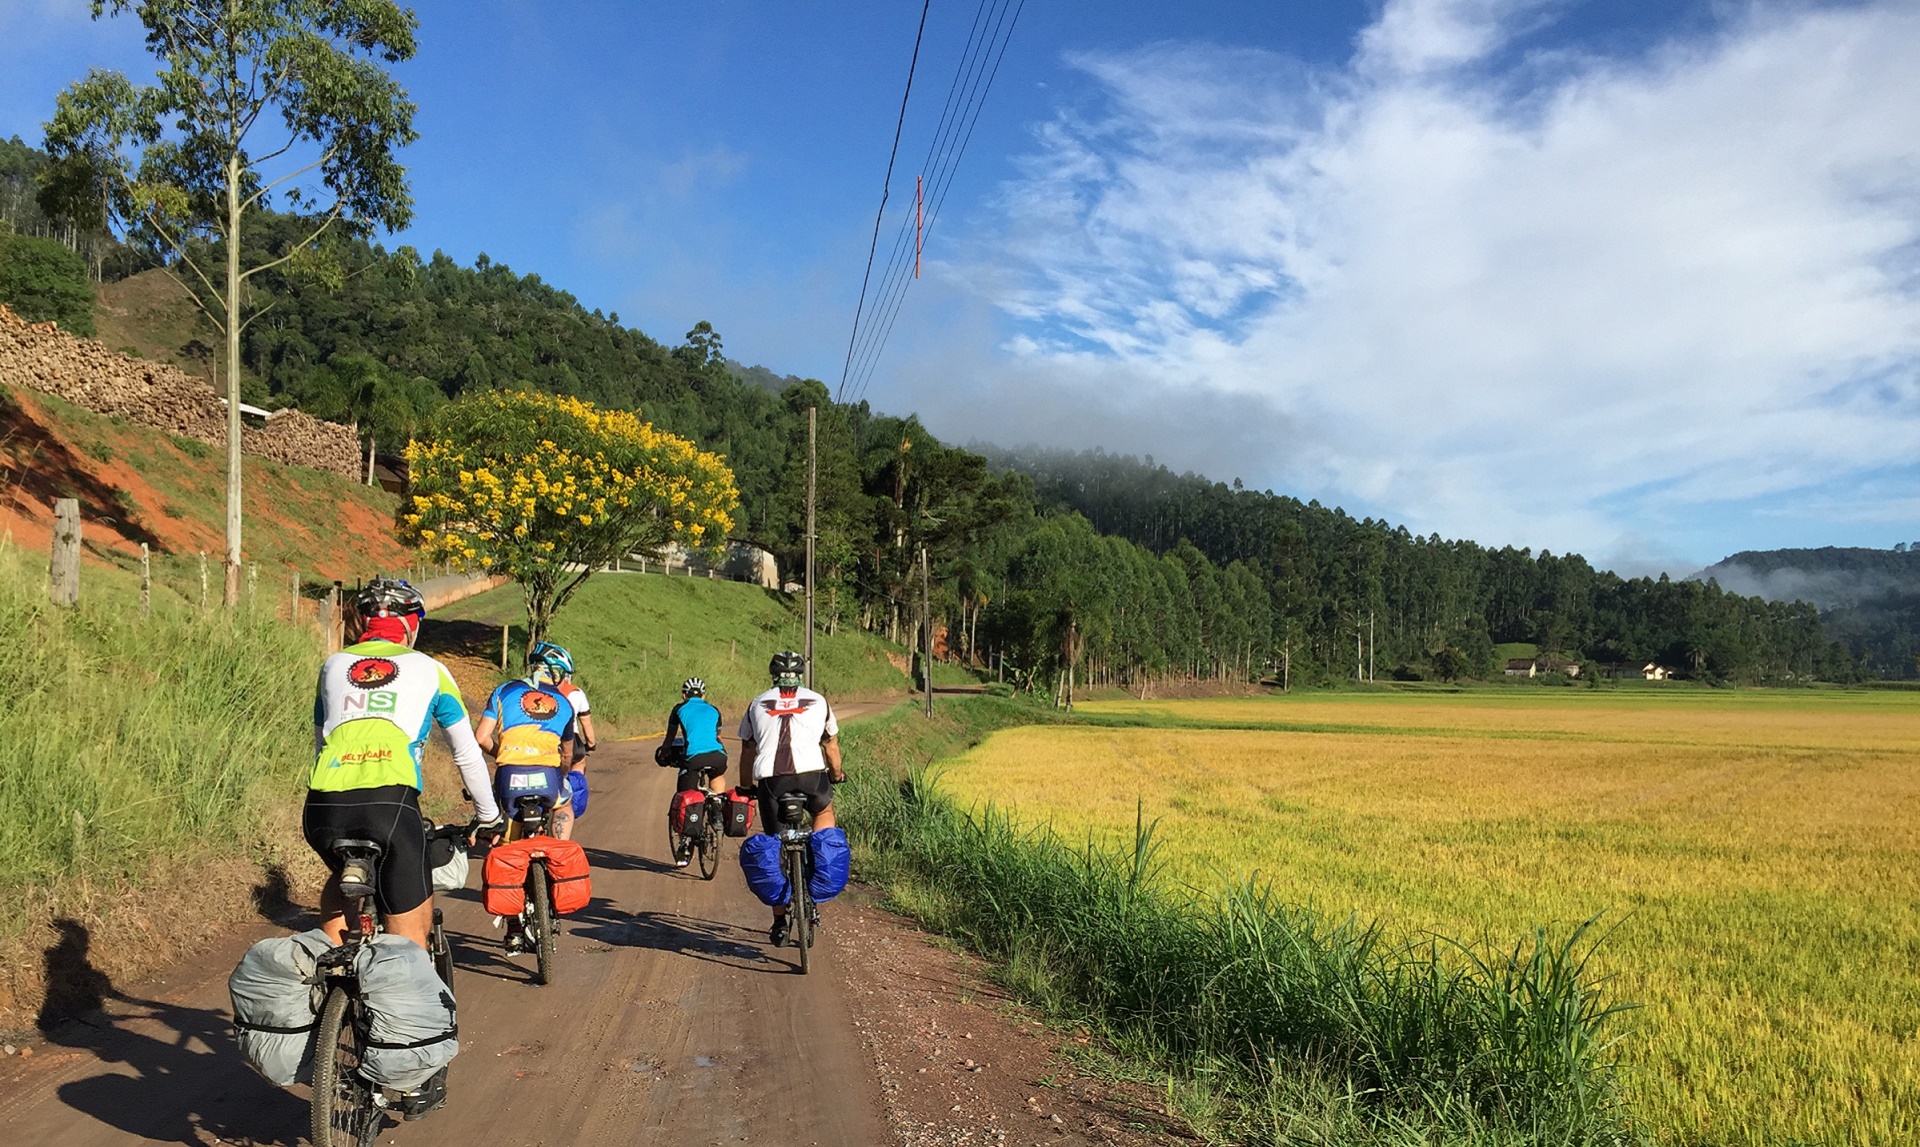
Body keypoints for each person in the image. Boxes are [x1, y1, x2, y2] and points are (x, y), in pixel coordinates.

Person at [305, 578, 502, 952]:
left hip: (323, 807)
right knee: (411, 934)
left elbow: (321, 743)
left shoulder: (331, 666)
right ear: (412, 625)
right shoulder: (432, 670)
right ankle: (402, 996)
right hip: (389, 804)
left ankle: (329, 974)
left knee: (339, 878)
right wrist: (488, 814)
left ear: (364, 623)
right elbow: (466, 752)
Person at [736, 651, 844, 946]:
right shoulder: (818, 700)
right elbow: (830, 745)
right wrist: (837, 774)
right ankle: (819, 871)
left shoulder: (757, 702)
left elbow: (747, 750)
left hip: (772, 782)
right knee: (824, 816)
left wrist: (746, 786)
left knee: (775, 843)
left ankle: (779, 922)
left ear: (772, 674)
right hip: (812, 778)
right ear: (801, 673)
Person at [475, 644, 579, 841]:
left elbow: (481, 737)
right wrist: (562, 773)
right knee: (564, 804)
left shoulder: (503, 691)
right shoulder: (565, 704)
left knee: (504, 826)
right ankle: (559, 846)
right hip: (547, 776)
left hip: (509, 776)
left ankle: (508, 848)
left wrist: (505, 754)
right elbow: (567, 755)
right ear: (556, 673)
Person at [663, 677, 727, 867]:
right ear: (704, 695)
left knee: (686, 796)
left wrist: (665, 754)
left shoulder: (679, 709)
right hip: (718, 756)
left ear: (684, 695)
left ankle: (684, 845)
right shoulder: (714, 709)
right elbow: (718, 737)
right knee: (717, 775)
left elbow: (669, 739)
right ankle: (718, 807)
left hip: (693, 757)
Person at [532, 641, 595, 819]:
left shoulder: (530, 690)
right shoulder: (576, 692)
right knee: (578, 763)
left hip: (541, 737)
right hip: (570, 739)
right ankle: (570, 810)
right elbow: (586, 724)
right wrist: (591, 743)